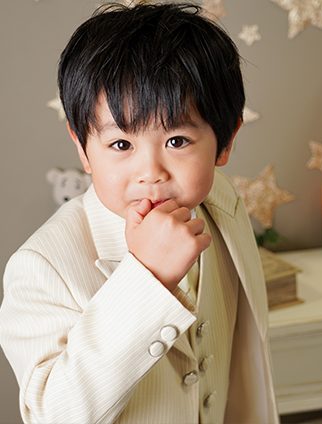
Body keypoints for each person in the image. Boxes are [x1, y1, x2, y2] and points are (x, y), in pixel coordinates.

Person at [0, 2, 279, 423]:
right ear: (83, 150)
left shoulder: (222, 200)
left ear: (226, 141)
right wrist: (147, 277)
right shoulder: (41, 267)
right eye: (121, 144)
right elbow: (53, 414)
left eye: (177, 141)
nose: (150, 173)